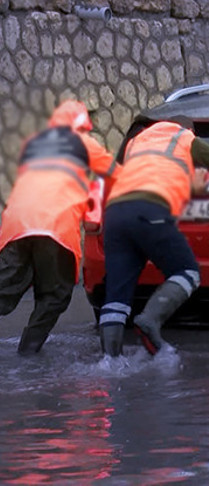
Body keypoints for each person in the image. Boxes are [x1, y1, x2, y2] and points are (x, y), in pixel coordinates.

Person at [98, 116, 209, 357]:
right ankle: (149, 320)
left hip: (115, 214)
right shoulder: (185, 138)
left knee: (116, 294)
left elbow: (143, 174)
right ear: (188, 128)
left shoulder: (136, 142)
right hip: (150, 210)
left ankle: (110, 362)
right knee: (186, 271)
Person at [0, 100, 121, 354]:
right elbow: (118, 174)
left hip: (16, 224)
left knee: (4, 288)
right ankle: (28, 354)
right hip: (55, 226)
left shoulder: (36, 143)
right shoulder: (83, 144)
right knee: (55, 296)